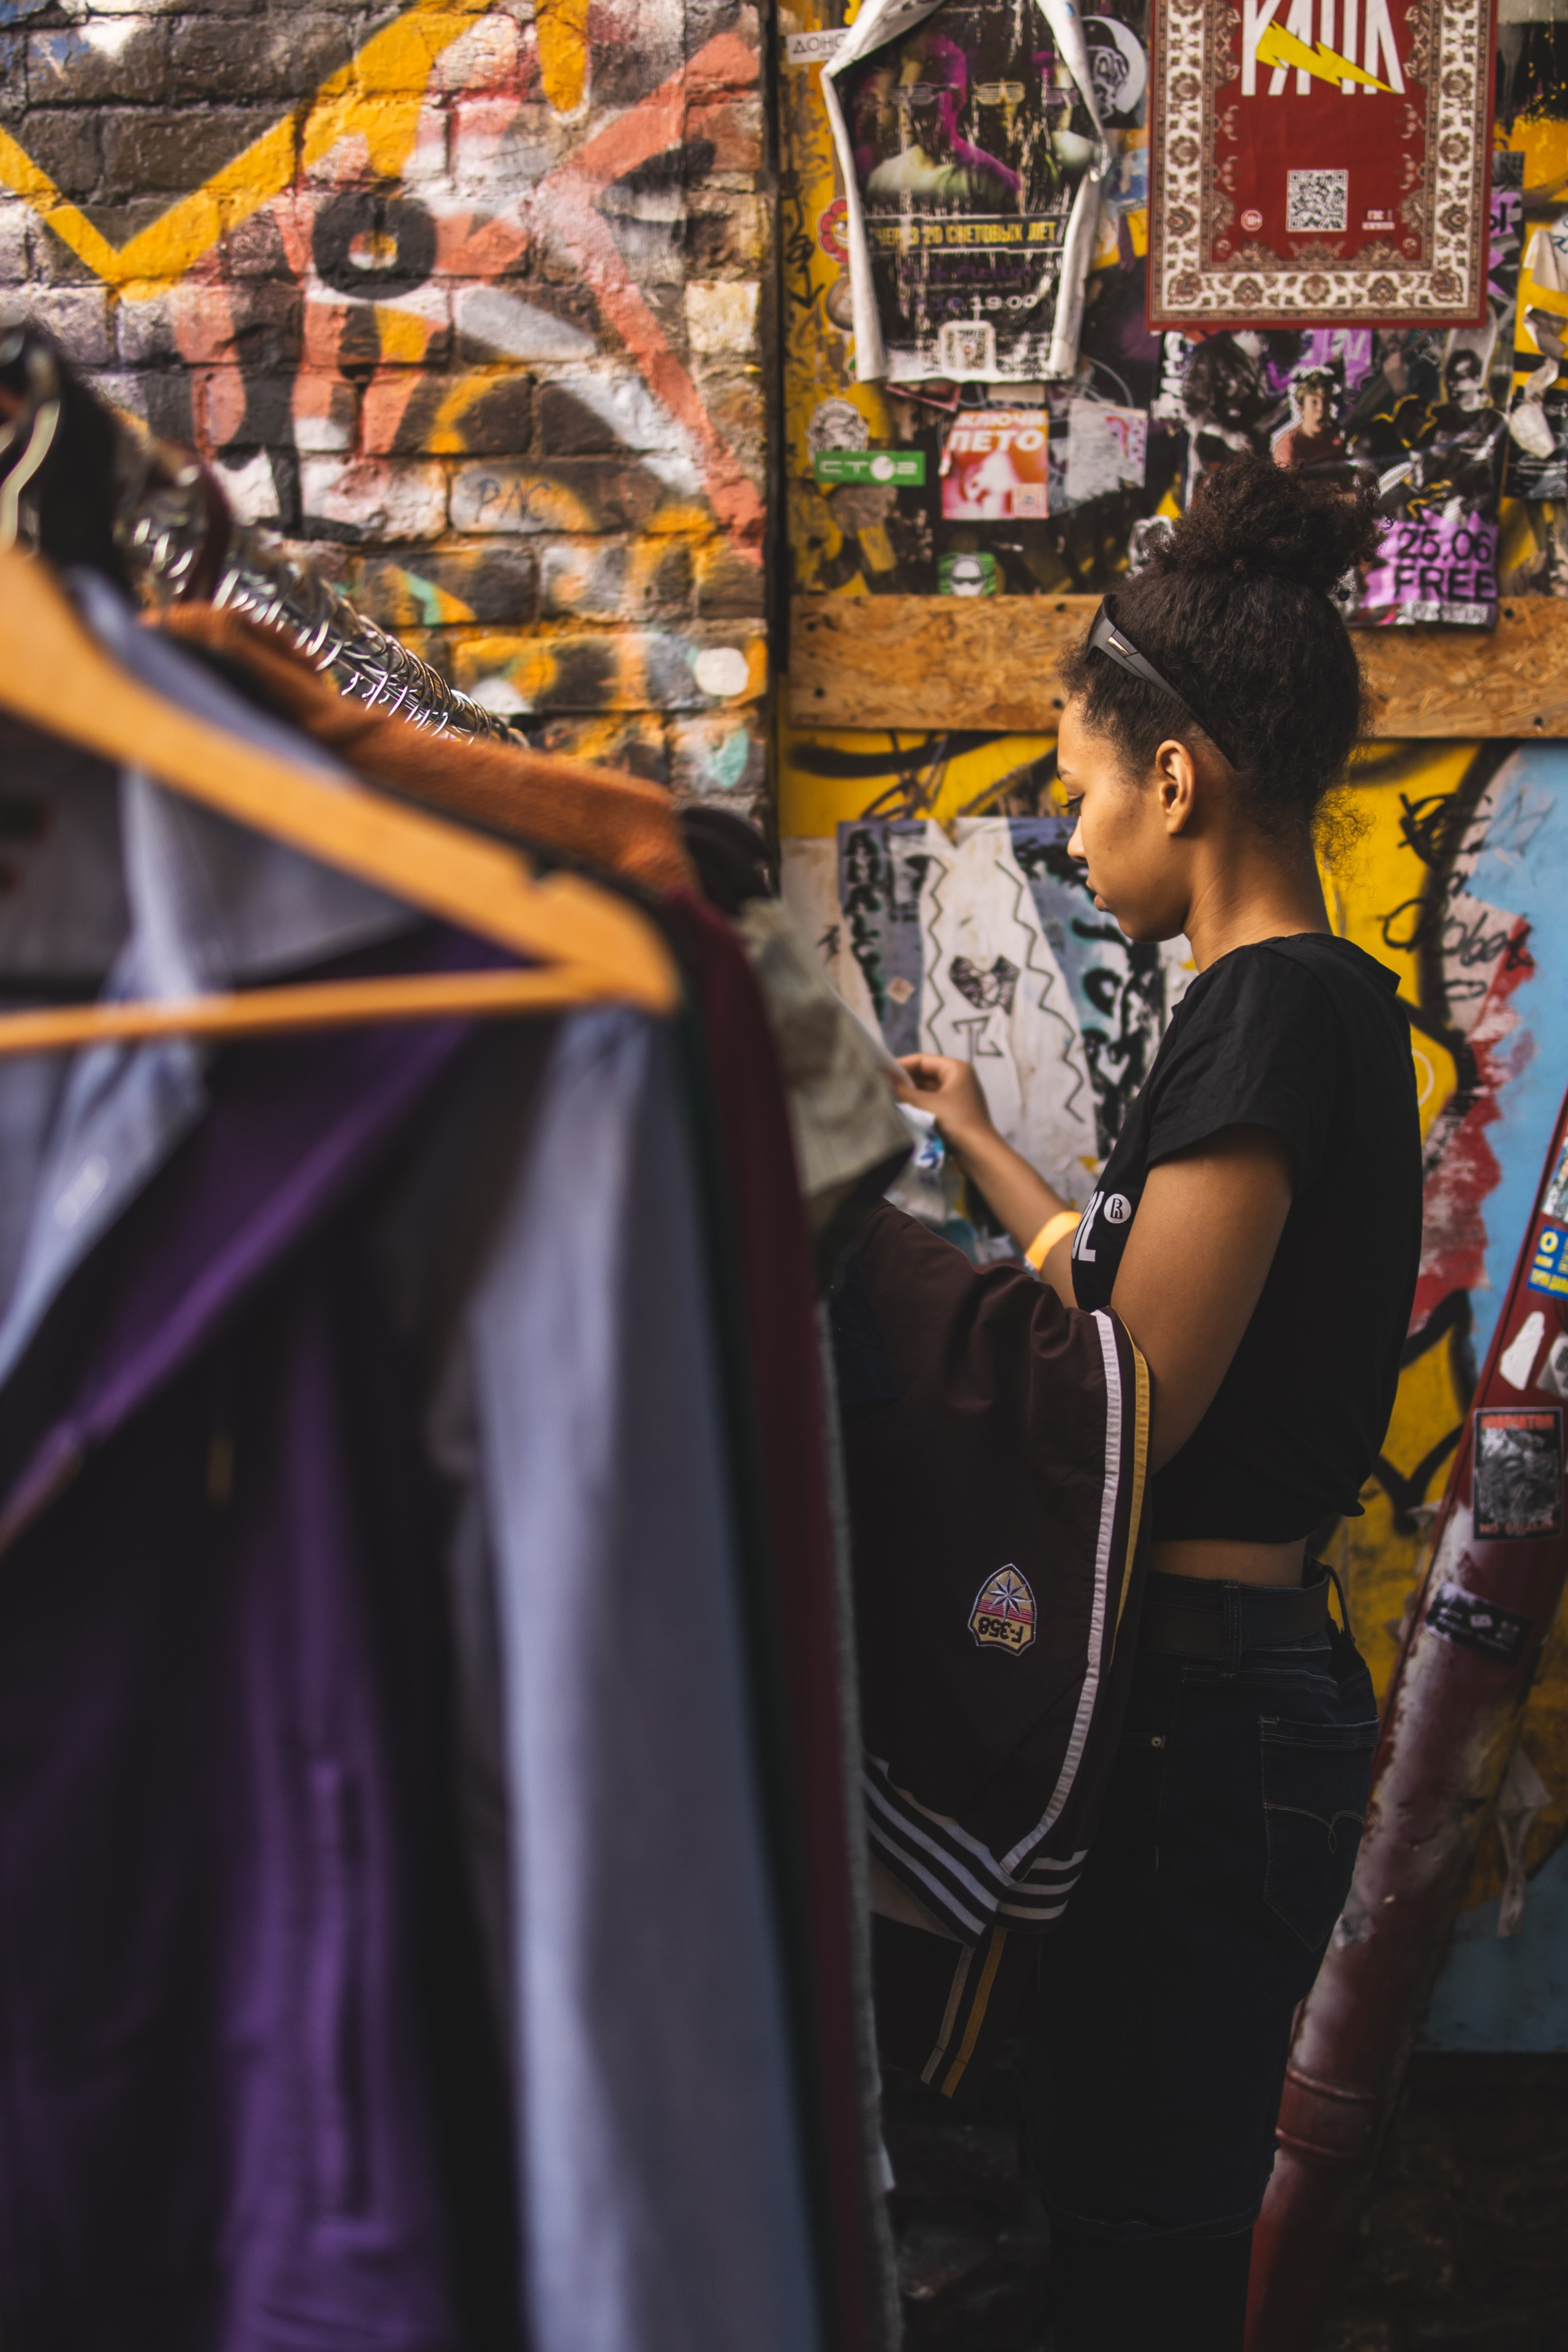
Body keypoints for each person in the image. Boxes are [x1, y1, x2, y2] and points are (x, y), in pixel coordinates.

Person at [897, 457, 1420, 2352]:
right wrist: (983, 1159)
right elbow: (1142, 1312)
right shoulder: (1283, 1009)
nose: (1063, 809)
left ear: (1174, 780)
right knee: (1121, 2207)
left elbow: (1137, 1398)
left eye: (1077, 769)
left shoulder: (1266, 1011)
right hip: (1201, 1695)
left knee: (1144, 2241)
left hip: (1212, 1716)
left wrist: (891, 1303)